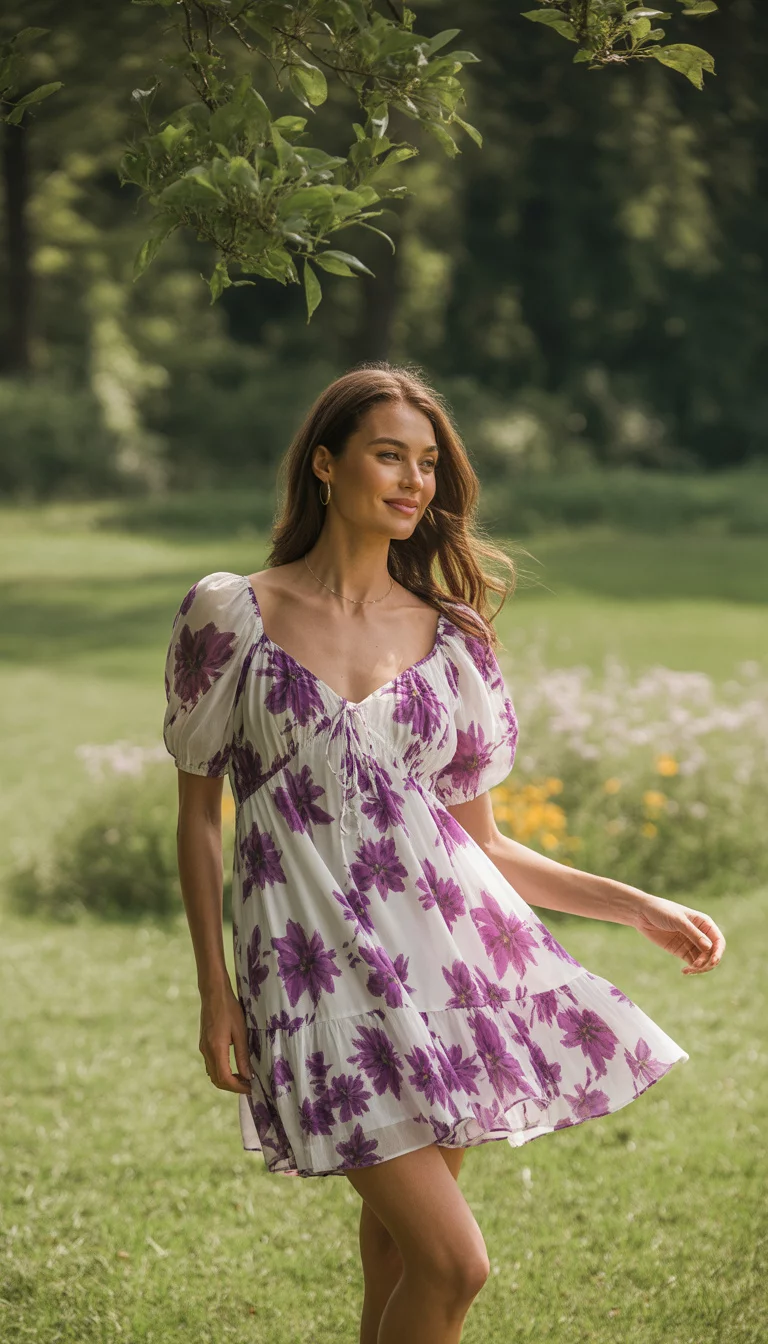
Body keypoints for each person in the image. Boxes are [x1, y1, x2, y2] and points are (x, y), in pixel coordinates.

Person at [162, 362, 725, 1344]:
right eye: (390, 455)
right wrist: (217, 995)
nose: (414, 480)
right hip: (309, 976)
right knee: (456, 1263)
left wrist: (637, 905)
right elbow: (199, 818)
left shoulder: (453, 638)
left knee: (397, 1257)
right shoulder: (231, 615)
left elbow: (483, 845)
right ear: (326, 464)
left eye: (427, 463)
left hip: (443, 973)